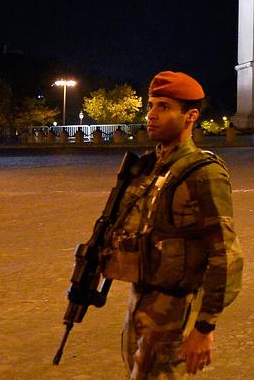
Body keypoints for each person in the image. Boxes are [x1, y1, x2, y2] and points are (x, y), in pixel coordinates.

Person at [100, 71, 244, 378]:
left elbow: (226, 254)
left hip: (174, 310)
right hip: (140, 302)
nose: (151, 114)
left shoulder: (203, 173)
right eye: (151, 105)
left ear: (190, 116)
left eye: (163, 107)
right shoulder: (149, 166)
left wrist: (204, 327)